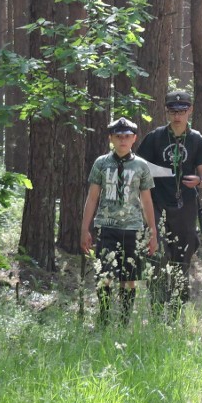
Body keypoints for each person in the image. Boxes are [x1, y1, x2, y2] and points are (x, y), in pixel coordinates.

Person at [136, 90, 202, 318]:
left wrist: (199, 181)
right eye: (173, 111)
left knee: (183, 255)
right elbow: (140, 169)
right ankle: (157, 305)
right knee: (157, 254)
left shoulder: (198, 139)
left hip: (185, 206)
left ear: (190, 110)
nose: (177, 116)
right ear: (167, 112)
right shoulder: (155, 137)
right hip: (157, 203)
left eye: (181, 111)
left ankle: (177, 308)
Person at [81, 117, 159, 327]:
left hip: (132, 228)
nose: (122, 141)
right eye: (118, 136)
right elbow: (92, 196)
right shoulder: (101, 163)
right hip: (106, 226)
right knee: (104, 275)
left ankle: (124, 321)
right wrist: (84, 228)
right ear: (111, 138)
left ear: (134, 138)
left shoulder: (141, 166)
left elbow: (147, 200)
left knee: (129, 278)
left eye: (126, 137)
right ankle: (104, 318)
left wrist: (152, 231)